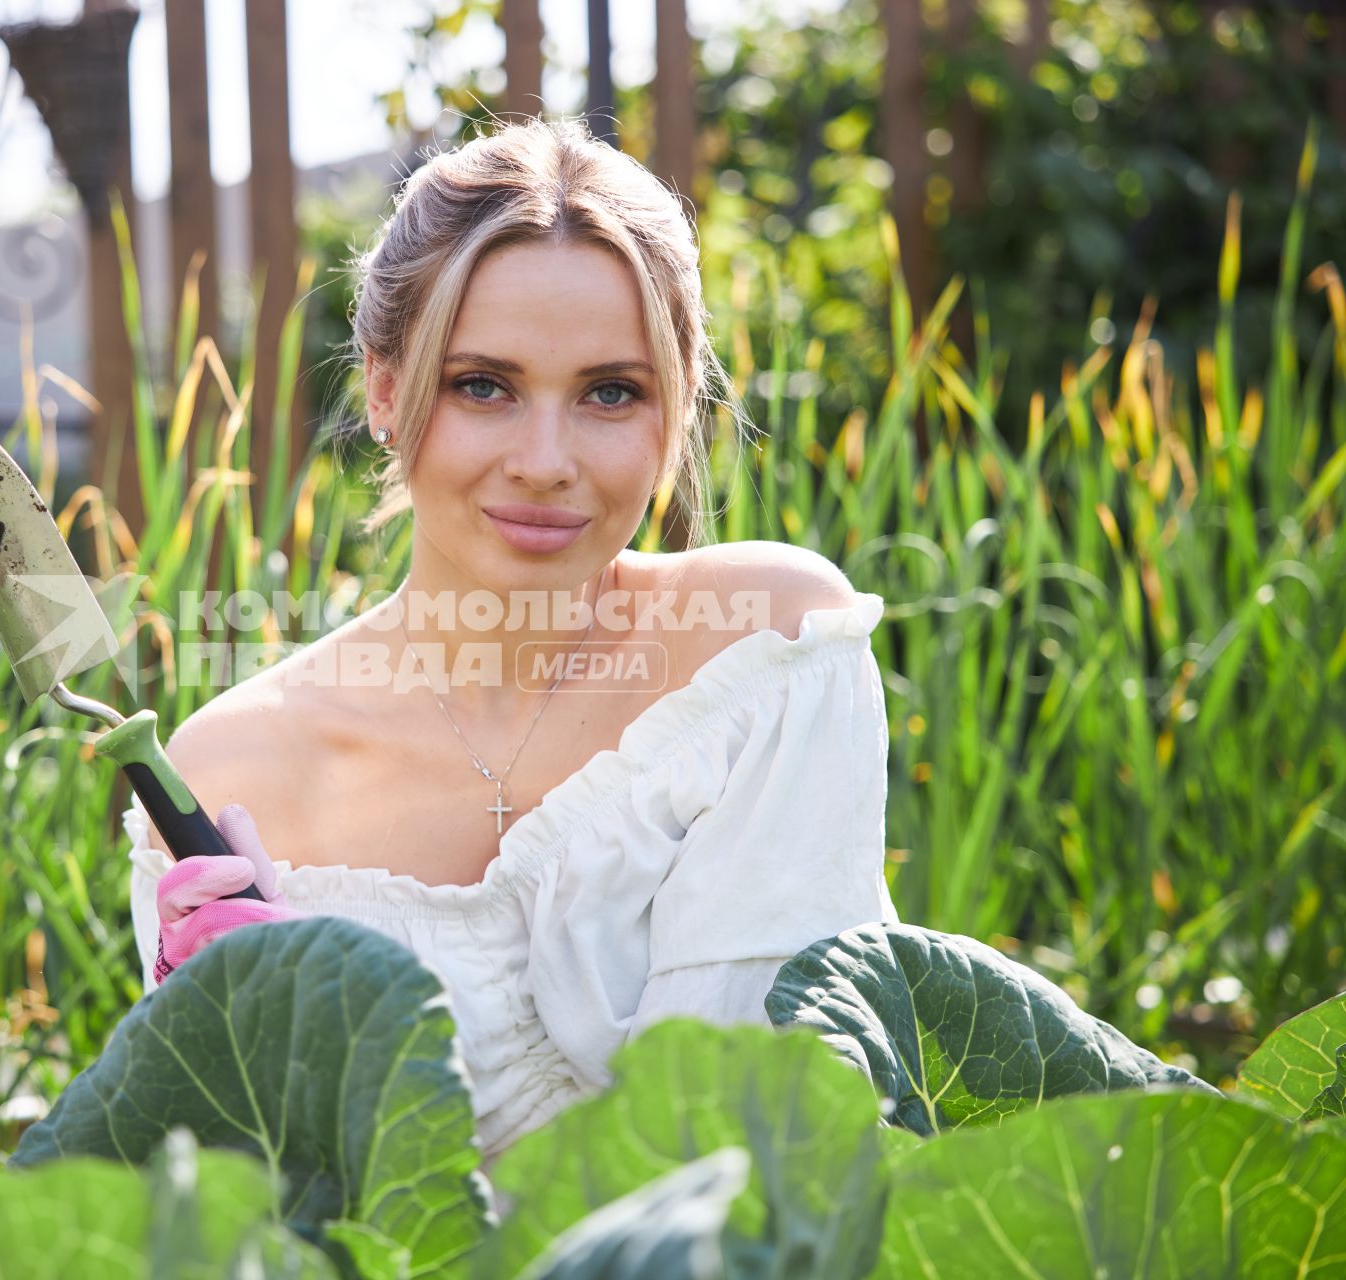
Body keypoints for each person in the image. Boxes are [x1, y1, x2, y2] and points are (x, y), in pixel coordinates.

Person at [124, 115, 898, 1163]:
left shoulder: (767, 658)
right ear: (387, 389)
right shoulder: (223, 781)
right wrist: (232, 1058)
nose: (545, 460)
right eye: (482, 385)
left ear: (675, 412)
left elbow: (759, 1139)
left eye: (610, 392)